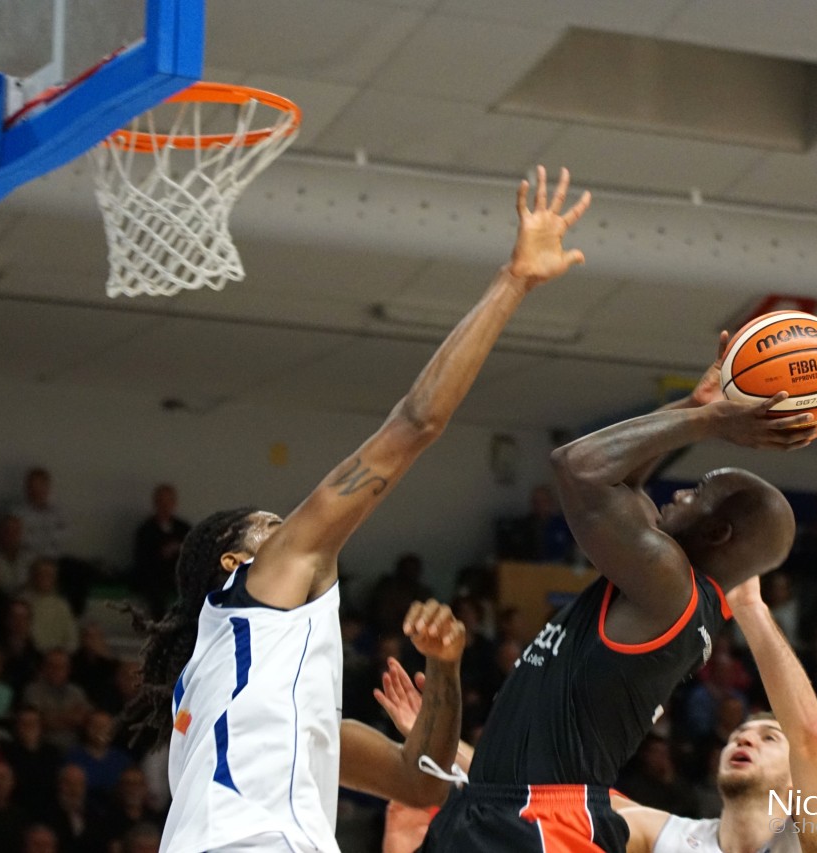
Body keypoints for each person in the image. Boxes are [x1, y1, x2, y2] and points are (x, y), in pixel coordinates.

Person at [123, 166, 592, 853]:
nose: (297, 528)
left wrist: (445, 669)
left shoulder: (263, 693)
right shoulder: (255, 593)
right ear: (235, 563)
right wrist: (513, 281)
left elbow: (421, 783)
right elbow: (415, 423)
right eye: (274, 526)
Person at [420, 330, 815, 851]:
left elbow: (577, 466)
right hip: (499, 806)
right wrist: (693, 406)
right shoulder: (670, 582)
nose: (679, 492)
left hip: (543, 822)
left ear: (717, 533)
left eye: (697, 492)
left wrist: (710, 423)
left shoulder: (672, 589)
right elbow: (622, 482)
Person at [612, 577, 817, 853]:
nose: (744, 740)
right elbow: (578, 800)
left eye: (769, 738)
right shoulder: (662, 835)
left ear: (795, 780)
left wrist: (748, 605)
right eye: (737, 736)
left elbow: (808, 738)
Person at [131, 484, 191, 619]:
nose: (164, 506)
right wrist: (161, 554)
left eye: (168, 502)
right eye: (161, 502)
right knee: (155, 592)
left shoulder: (183, 528)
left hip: (177, 575)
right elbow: (142, 560)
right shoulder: (146, 530)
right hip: (155, 576)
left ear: (174, 504)